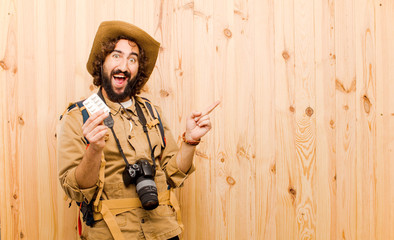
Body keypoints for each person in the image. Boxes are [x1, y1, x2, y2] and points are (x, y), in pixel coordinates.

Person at [57, 21, 219, 240]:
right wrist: (94, 149)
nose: (124, 65)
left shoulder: (153, 112)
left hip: (164, 230)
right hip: (113, 234)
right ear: (102, 62)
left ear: (137, 70)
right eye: (116, 56)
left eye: (132, 59)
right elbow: (76, 190)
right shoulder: (79, 117)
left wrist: (190, 142)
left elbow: (172, 175)